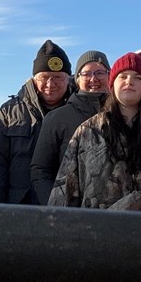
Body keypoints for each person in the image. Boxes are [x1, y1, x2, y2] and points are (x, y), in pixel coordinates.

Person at [48, 51, 141, 212]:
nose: (129, 81)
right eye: (123, 76)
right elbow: (63, 193)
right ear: (113, 84)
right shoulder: (88, 132)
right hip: (94, 232)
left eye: (138, 77)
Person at [0, 40, 73, 205]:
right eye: (44, 77)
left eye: (57, 77)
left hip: (68, 207)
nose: (50, 84)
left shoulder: (78, 112)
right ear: (34, 79)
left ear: (68, 79)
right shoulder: (10, 112)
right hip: (20, 206)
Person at [30, 50, 110, 205]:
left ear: (109, 75)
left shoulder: (121, 114)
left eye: (100, 72)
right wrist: (55, 207)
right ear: (77, 79)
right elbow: (40, 170)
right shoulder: (56, 118)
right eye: (86, 74)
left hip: (115, 213)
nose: (93, 79)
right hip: (70, 212)